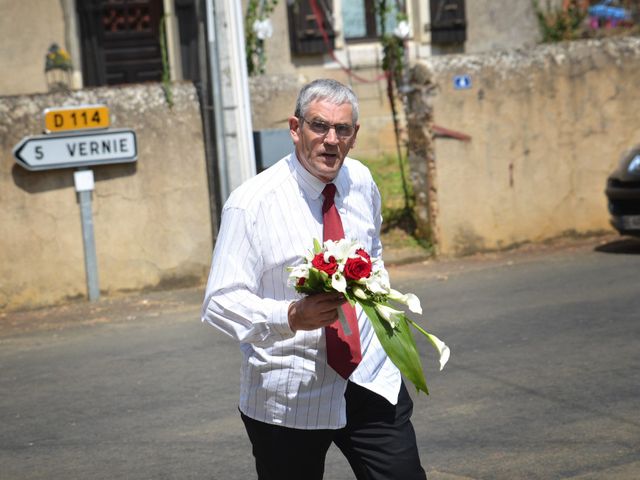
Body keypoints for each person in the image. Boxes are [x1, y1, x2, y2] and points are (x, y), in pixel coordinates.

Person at [201, 78, 426, 480]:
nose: (330, 140)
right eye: (319, 126)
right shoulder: (252, 204)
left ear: (354, 135)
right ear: (295, 128)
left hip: (368, 375)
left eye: (342, 129)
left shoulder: (361, 183)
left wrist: (378, 303)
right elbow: (220, 301)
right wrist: (290, 315)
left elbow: (373, 254)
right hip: (290, 392)